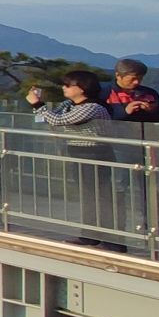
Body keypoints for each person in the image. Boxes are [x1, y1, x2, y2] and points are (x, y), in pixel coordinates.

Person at [31, 70, 118, 249]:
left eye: (68, 85)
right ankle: (90, 234)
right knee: (87, 195)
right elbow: (45, 119)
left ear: (82, 88)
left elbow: (59, 120)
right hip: (79, 152)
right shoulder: (70, 104)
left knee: (98, 195)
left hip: (95, 153)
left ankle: (111, 238)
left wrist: (38, 104)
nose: (64, 88)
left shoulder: (93, 107)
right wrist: (38, 104)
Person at [103, 59, 159, 225]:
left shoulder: (149, 93)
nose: (136, 82)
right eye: (132, 78)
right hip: (116, 146)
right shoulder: (104, 92)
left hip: (146, 144)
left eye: (139, 78)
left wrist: (151, 110)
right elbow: (100, 115)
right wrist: (124, 111)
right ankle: (117, 224)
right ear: (118, 75)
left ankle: (151, 224)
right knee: (118, 186)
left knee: (150, 186)